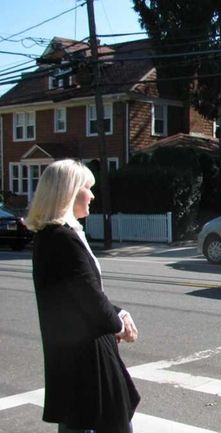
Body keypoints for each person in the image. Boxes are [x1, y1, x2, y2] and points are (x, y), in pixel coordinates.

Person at [26, 159, 140, 433]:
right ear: (69, 191)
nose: (92, 195)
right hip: (86, 363)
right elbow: (89, 298)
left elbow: (84, 291)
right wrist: (119, 324)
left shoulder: (54, 236)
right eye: (87, 188)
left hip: (76, 359)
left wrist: (119, 313)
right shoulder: (62, 239)